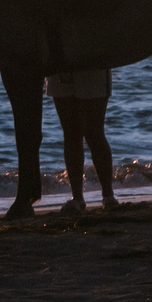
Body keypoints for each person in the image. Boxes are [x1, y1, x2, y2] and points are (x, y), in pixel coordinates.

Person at [47, 64, 118, 213]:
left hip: (90, 65)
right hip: (60, 68)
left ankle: (107, 194)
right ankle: (79, 197)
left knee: (93, 133)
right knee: (72, 134)